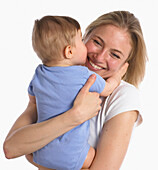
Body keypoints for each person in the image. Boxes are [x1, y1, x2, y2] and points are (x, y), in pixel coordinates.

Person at [3, 10, 147, 170]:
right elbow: (11, 148)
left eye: (115, 55)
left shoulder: (124, 96)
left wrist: (39, 160)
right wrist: (74, 116)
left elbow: (28, 153)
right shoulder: (55, 82)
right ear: (84, 37)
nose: (99, 58)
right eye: (97, 43)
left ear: (125, 64)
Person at [28, 15, 127, 170]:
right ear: (69, 51)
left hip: (42, 153)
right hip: (72, 155)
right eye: (82, 40)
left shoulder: (39, 73)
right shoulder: (82, 75)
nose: (100, 57)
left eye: (114, 54)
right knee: (92, 158)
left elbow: (32, 97)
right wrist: (118, 75)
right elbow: (108, 89)